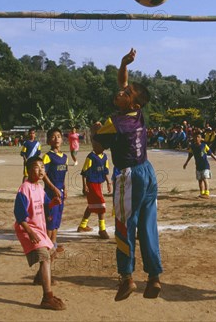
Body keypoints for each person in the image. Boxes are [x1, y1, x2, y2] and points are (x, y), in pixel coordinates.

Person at [92, 48, 163, 301]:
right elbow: (123, 81)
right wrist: (123, 63)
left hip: (128, 176)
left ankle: (127, 277)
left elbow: (98, 148)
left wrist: (94, 131)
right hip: (148, 172)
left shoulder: (115, 123)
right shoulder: (139, 114)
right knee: (147, 226)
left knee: (124, 226)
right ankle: (154, 277)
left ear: (131, 103)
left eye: (126, 93)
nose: (121, 92)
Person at [13, 157, 66, 310]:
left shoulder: (40, 188)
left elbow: (45, 205)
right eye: (37, 167)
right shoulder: (24, 188)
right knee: (45, 257)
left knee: (50, 253)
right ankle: (47, 297)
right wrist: (29, 232)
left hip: (38, 228)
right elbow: (19, 214)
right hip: (27, 228)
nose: (41, 170)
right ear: (28, 171)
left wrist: (52, 203)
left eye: (43, 167)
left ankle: (39, 278)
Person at [77, 141, 112, 239]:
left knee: (92, 205)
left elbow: (105, 171)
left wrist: (108, 182)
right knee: (101, 204)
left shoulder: (105, 157)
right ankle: (102, 229)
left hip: (99, 184)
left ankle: (82, 226)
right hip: (91, 183)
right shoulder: (91, 157)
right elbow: (84, 172)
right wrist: (85, 186)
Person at [42, 127, 68, 252]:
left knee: (57, 218)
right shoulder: (48, 156)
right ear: (48, 141)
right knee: (50, 219)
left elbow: (63, 175)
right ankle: (47, 245)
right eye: (53, 136)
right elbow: (43, 175)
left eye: (58, 136)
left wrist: (64, 188)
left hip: (60, 193)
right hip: (50, 193)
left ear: (62, 139)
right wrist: (53, 188)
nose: (56, 138)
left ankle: (53, 243)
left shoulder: (65, 157)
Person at [183, 131, 216, 199]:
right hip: (198, 166)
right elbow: (190, 156)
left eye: (198, 137)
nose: (197, 138)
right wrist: (186, 163)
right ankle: (202, 193)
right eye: (195, 137)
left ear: (201, 138)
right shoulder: (192, 147)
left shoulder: (204, 146)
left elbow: (211, 153)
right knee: (200, 180)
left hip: (205, 165)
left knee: (205, 178)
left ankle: (207, 193)